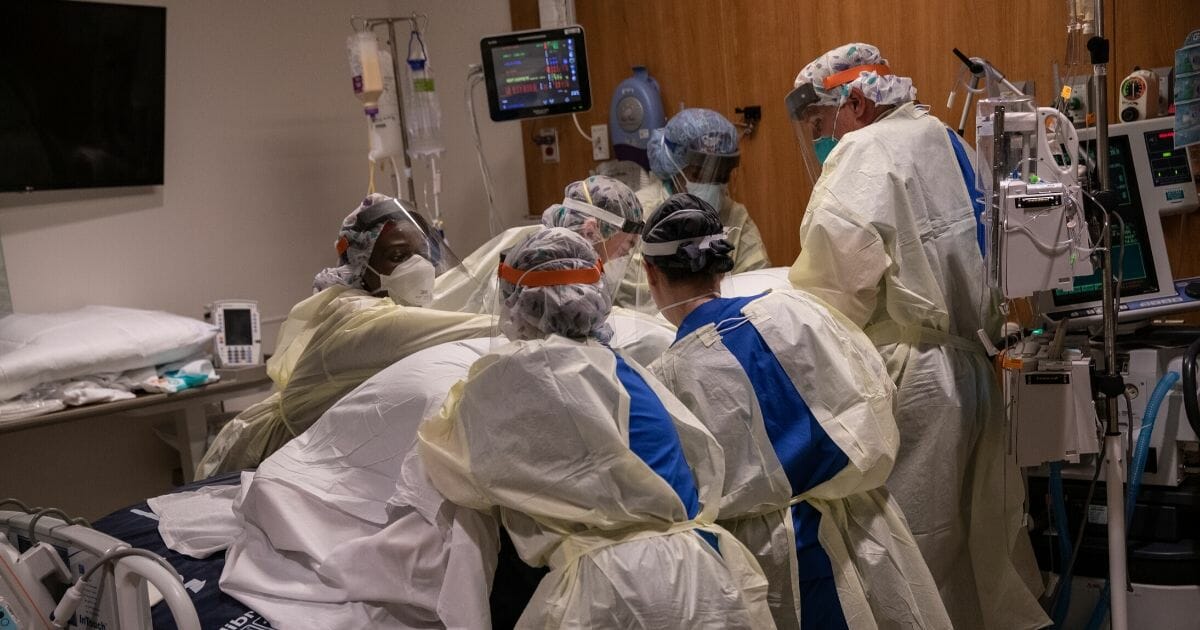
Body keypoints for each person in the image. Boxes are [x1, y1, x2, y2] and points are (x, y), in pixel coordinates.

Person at [786, 43, 1048, 629]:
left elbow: (830, 297)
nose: (821, 139)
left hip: (914, 386)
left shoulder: (864, 152)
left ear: (854, 102)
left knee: (911, 556)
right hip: (969, 371)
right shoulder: (942, 138)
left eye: (819, 122)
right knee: (966, 547)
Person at [417, 227, 774, 629]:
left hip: (610, 592)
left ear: (515, 302)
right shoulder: (625, 369)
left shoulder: (513, 378)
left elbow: (451, 464)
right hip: (701, 572)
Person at [641, 194, 950, 630]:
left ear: (650, 274)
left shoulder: (667, 379)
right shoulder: (796, 311)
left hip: (766, 560)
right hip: (864, 530)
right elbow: (876, 389)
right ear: (720, 263)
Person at [195, 194, 494, 478]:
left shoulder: (389, 304)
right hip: (260, 456)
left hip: (318, 448)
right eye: (398, 256)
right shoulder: (355, 316)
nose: (418, 266)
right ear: (362, 264)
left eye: (422, 254)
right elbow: (474, 327)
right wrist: (527, 313)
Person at [429, 174, 647, 313]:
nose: (626, 252)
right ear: (592, 230)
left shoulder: (568, 258)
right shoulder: (539, 259)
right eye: (628, 243)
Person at [647, 108, 770, 273]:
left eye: (722, 175)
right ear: (675, 166)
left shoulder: (736, 219)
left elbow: (758, 280)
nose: (712, 184)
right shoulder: (644, 215)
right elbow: (633, 294)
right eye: (699, 174)